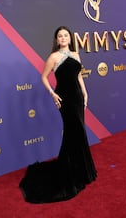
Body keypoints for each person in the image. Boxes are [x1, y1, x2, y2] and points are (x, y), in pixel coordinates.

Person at [19, 26, 97, 203]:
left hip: (77, 97)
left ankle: (81, 170)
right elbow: (44, 77)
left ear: (69, 38)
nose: (63, 38)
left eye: (65, 35)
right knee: (73, 131)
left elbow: (79, 76)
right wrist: (53, 93)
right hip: (65, 99)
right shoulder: (53, 57)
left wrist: (85, 93)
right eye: (60, 36)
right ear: (57, 39)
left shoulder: (76, 54)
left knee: (78, 132)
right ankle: (71, 171)